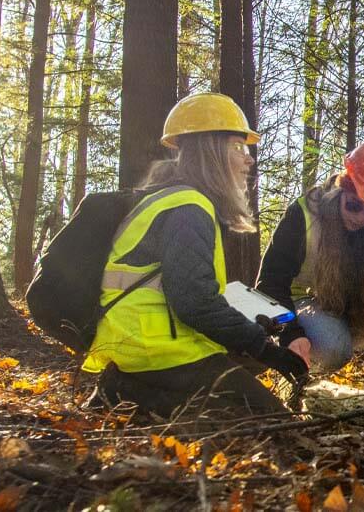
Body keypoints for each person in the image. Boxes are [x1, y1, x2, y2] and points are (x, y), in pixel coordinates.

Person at [82, 93, 309, 417]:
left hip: (139, 347)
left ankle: (129, 391)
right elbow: (194, 301)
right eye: (238, 148)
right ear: (213, 152)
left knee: (246, 372)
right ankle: (132, 394)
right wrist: (267, 350)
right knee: (276, 423)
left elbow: (183, 290)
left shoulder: (174, 199)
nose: (249, 159)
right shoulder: (189, 208)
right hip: (159, 354)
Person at [256, 141, 364, 389]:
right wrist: (289, 332)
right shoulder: (305, 213)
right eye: (354, 205)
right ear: (341, 189)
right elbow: (269, 281)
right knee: (333, 347)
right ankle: (296, 376)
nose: (360, 218)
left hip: (357, 309)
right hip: (304, 306)